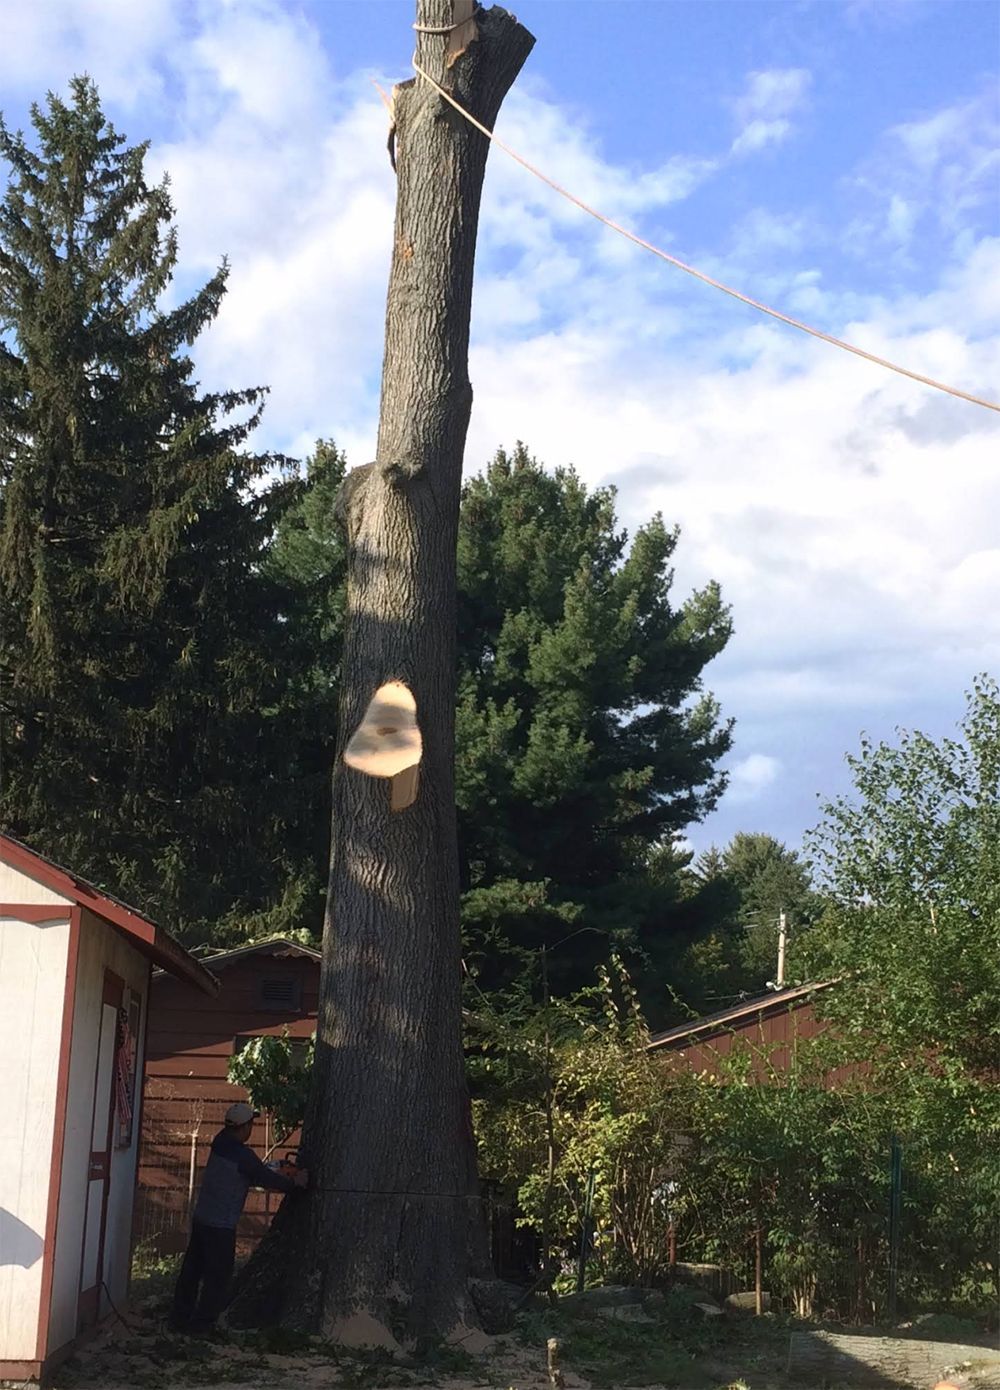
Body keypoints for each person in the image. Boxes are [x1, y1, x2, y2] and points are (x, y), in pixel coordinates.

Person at [169, 1102, 309, 1334]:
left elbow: (250, 1173)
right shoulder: (242, 1155)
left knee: (192, 1272)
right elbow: (265, 1178)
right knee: (218, 1278)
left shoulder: (220, 1142)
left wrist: (272, 1168)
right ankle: (202, 1326)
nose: (251, 1129)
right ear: (243, 1128)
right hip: (221, 1226)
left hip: (202, 1217)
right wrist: (295, 1184)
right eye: (251, 1124)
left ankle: (179, 1318)